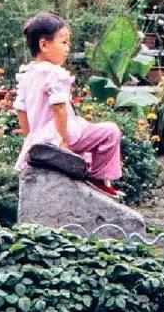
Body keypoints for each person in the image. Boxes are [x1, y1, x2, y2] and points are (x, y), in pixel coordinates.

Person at [13, 11, 123, 197]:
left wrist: (32, 137)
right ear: (44, 45)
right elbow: (59, 108)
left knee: (87, 144)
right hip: (61, 136)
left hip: (40, 140)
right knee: (110, 132)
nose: (67, 48)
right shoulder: (54, 73)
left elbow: (21, 112)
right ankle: (99, 178)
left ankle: (86, 175)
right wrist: (63, 140)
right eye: (63, 42)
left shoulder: (26, 75)